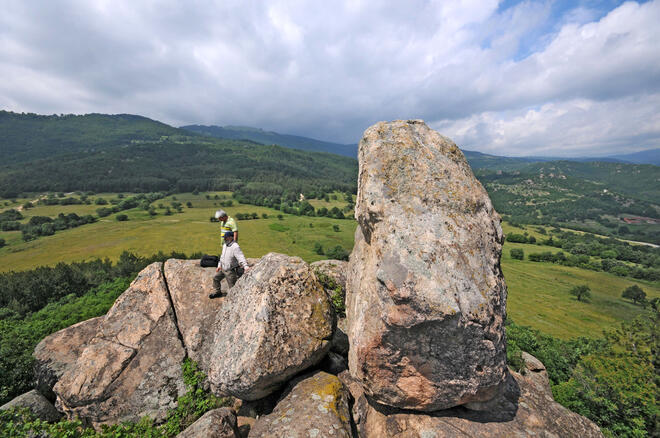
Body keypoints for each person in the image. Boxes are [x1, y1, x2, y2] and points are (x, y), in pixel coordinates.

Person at [209, 231, 250, 298]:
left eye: (226, 237)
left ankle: (234, 298)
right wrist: (219, 265)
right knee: (215, 278)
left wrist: (245, 266)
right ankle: (217, 292)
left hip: (230, 270)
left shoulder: (235, 246)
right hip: (222, 268)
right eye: (224, 237)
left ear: (231, 238)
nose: (224, 239)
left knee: (232, 287)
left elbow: (240, 256)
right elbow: (222, 256)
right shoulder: (225, 245)